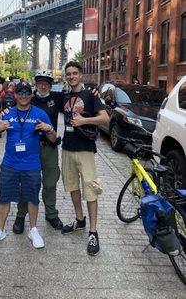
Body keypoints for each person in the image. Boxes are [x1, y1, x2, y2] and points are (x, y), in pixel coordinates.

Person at [0, 82, 56, 249]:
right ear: (15, 95)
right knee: (5, 197)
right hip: (10, 164)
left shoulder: (40, 114)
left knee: (32, 198)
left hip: (32, 165)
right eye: (20, 93)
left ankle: (33, 230)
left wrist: (49, 129)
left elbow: (53, 139)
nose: (23, 96)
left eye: (27, 93)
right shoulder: (7, 114)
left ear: (31, 95)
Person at [61, 61, 109, 256]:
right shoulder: (64, 96)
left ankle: (93, 231)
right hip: (67, 148)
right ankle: (80, 221)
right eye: (69, 74)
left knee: (90, 190)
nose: (71, 76)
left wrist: (84, 120)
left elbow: (105, 118)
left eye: (75, 73)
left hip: (86, 149)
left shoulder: (91, 95)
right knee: (72, 186)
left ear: (81, 75)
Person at [12, 71, 64, 234]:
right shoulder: (28, 98)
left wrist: (93, 93)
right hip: (30, 148)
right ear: (35, 84)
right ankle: (21, 215)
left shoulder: (57, 97)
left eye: (47, 83)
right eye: (40, 82)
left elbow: (77, 99)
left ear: (50, 85)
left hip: (49, 146)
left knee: (50, 183)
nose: (43, 86)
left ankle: (51, 214)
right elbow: (13, 110)